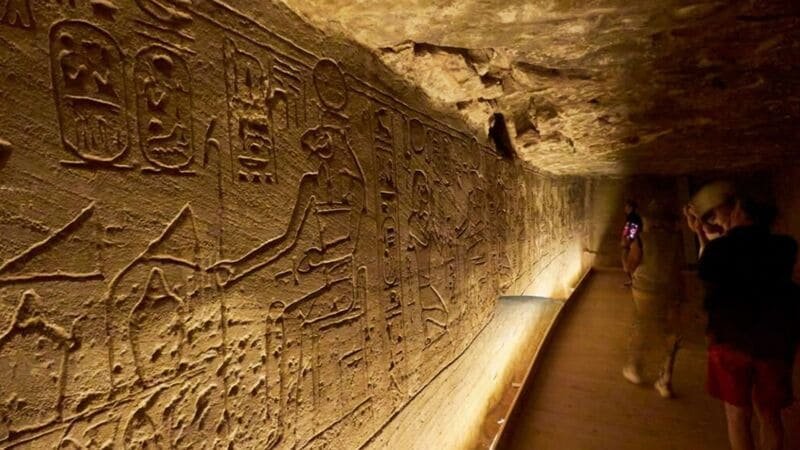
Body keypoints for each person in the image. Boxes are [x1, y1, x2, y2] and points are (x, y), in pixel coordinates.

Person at [684, 181, 799, 450]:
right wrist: (713, 231)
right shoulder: (786, 246)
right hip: (774, 344)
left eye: (719, 212)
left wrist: (703, 233)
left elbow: (707, 270)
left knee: (737, 415)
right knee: (770, 416)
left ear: (737, 211)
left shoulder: (717, 250)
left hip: (731, 342)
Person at [622, 200, 685, 398]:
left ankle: (635, 368)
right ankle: (665, 378)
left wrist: (624, 251)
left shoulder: (642, 238)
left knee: (642, 325)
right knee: (670, 334)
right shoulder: (677, 239)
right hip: (671, 290)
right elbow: (679, 265)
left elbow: (629, 266)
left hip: (646, 290)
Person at [621, 199, 643, 286]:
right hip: (633, 241)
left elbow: (633, 229)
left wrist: (628, 240)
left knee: (629, 262)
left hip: (633, 242)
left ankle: (634, 281)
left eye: (626, 207)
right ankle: (633, 280)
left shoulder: (633, 217)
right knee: (629, 262)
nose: (625, 208)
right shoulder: (632, 217)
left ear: (630, 207)